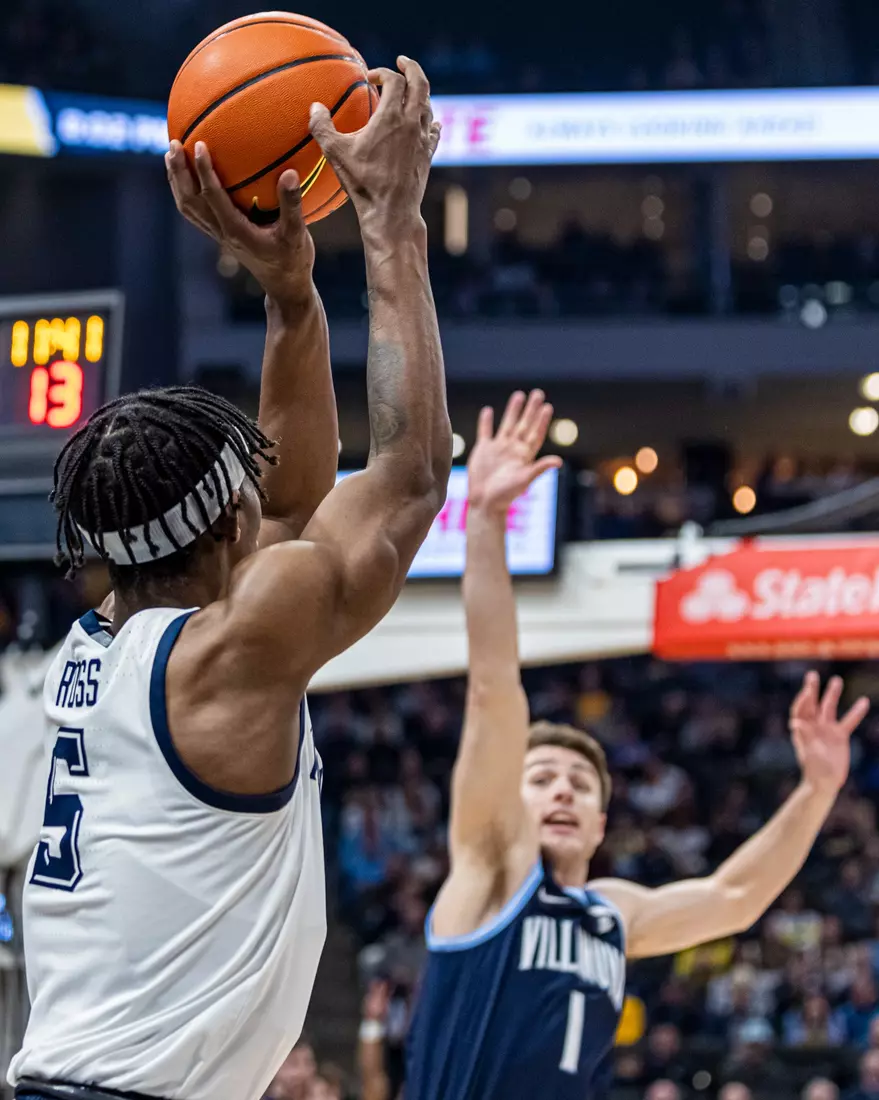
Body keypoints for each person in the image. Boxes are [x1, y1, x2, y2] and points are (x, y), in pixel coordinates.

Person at [10, 57, 451, 1100]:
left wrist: (291, 300)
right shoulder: (230, 651)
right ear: (226, 524)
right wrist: (391, 224)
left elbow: (292, 508)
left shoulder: (113, 640)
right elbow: (409, 474)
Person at [404, 390, 870, 1100]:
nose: (562, 789)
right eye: (542, 777)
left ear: (600, 824)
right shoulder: (491, 872)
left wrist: (814, 792)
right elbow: (493, 686)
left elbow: (734, 896)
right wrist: (487, 521)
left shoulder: (610, 914)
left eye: (580, 784)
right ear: (505, 796)